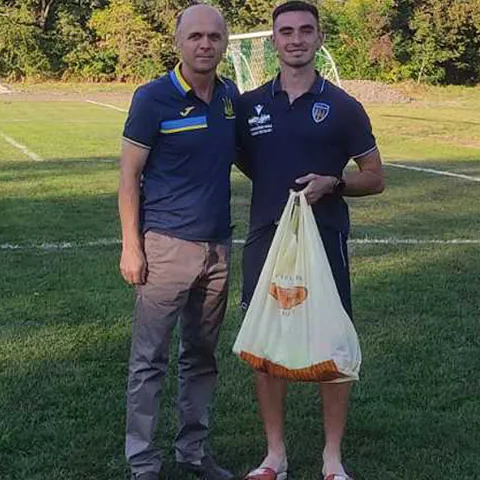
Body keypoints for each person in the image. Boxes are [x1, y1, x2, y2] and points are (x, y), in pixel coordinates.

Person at [235, 2, 385, 480]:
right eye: (286, 31)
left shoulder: (343, 106)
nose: (295, 39)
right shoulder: (250, 106)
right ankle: (274, 456)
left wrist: (334, 184)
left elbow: (375, 176)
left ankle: (331, 459)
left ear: (320, 39)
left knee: (332, 343)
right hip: (266, 240)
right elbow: (250, 164)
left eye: (305, 31)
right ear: (273, 41)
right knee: (264, 343)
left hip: (325, 240)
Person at [117, 4, 238, 480]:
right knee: (149, 359)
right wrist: (132, 246)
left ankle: (193, 451)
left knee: (202, 357)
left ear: (224, 43)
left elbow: (246, 156)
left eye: (213, 37)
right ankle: (143, 462)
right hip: (166, 248)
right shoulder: (153, 98)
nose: (205, 44)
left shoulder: (230, 97)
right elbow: (129, 178)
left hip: (218, 249)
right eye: (195, 36)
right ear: (178, 42)